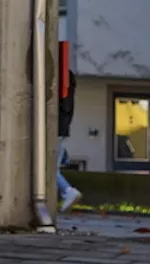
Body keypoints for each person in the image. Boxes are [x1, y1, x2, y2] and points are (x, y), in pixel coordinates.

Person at [57, 68, 82, 212]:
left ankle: (67, 190)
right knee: (53, 167)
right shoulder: (68, 82)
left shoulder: (62, 78)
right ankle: (66, 191)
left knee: (49, 168)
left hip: (57, 128)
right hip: (62, 128)